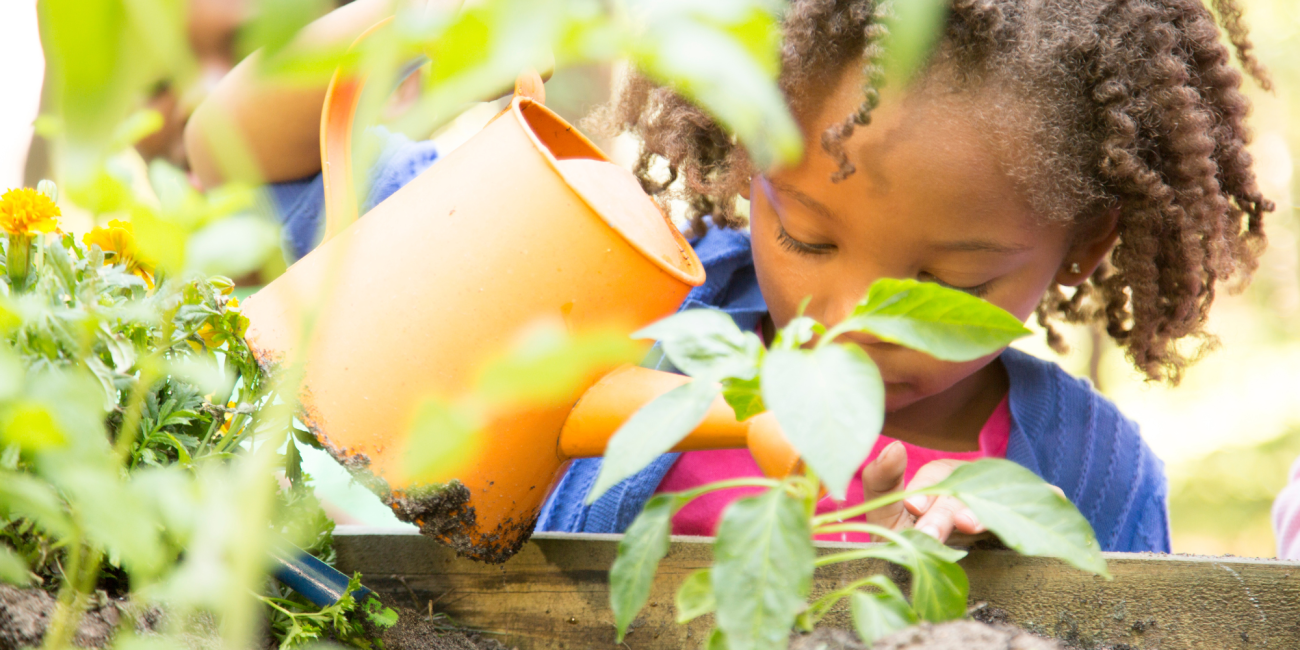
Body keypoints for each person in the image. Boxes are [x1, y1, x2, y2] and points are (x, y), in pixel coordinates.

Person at [186, 0, 1274, 553]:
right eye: (804, 236)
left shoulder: (1091, 477)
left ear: (1079, 249)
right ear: (743, 159)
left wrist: (1017, 562)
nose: (847, 322)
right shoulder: (604, 301)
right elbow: (240, 159)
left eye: (950, 282)